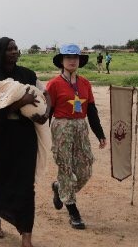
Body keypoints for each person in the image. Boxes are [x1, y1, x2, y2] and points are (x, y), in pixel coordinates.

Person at [0, 37, 48, 247]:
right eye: (9, 49)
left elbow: (44, 94)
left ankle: (26, 235)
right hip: (1, 138)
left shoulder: (27, 74)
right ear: (0, 52)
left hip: (25, 137)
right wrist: (19, 103)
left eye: (15, 48)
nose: (14, 51)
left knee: (26, 185)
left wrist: (45, 113)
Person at [46, 44, 107, 230]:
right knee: (66, 168)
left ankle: (59, 188)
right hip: (62, 127)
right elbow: (47, 112)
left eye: (75, 58)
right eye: (68, 58)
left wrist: (100, 134)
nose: (72, 61)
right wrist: (42, 135)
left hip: (81, 127)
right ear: (62, 61)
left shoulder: (85, 83)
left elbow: (92, 110)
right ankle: (73, 212)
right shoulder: (54, 84)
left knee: (85, 169)